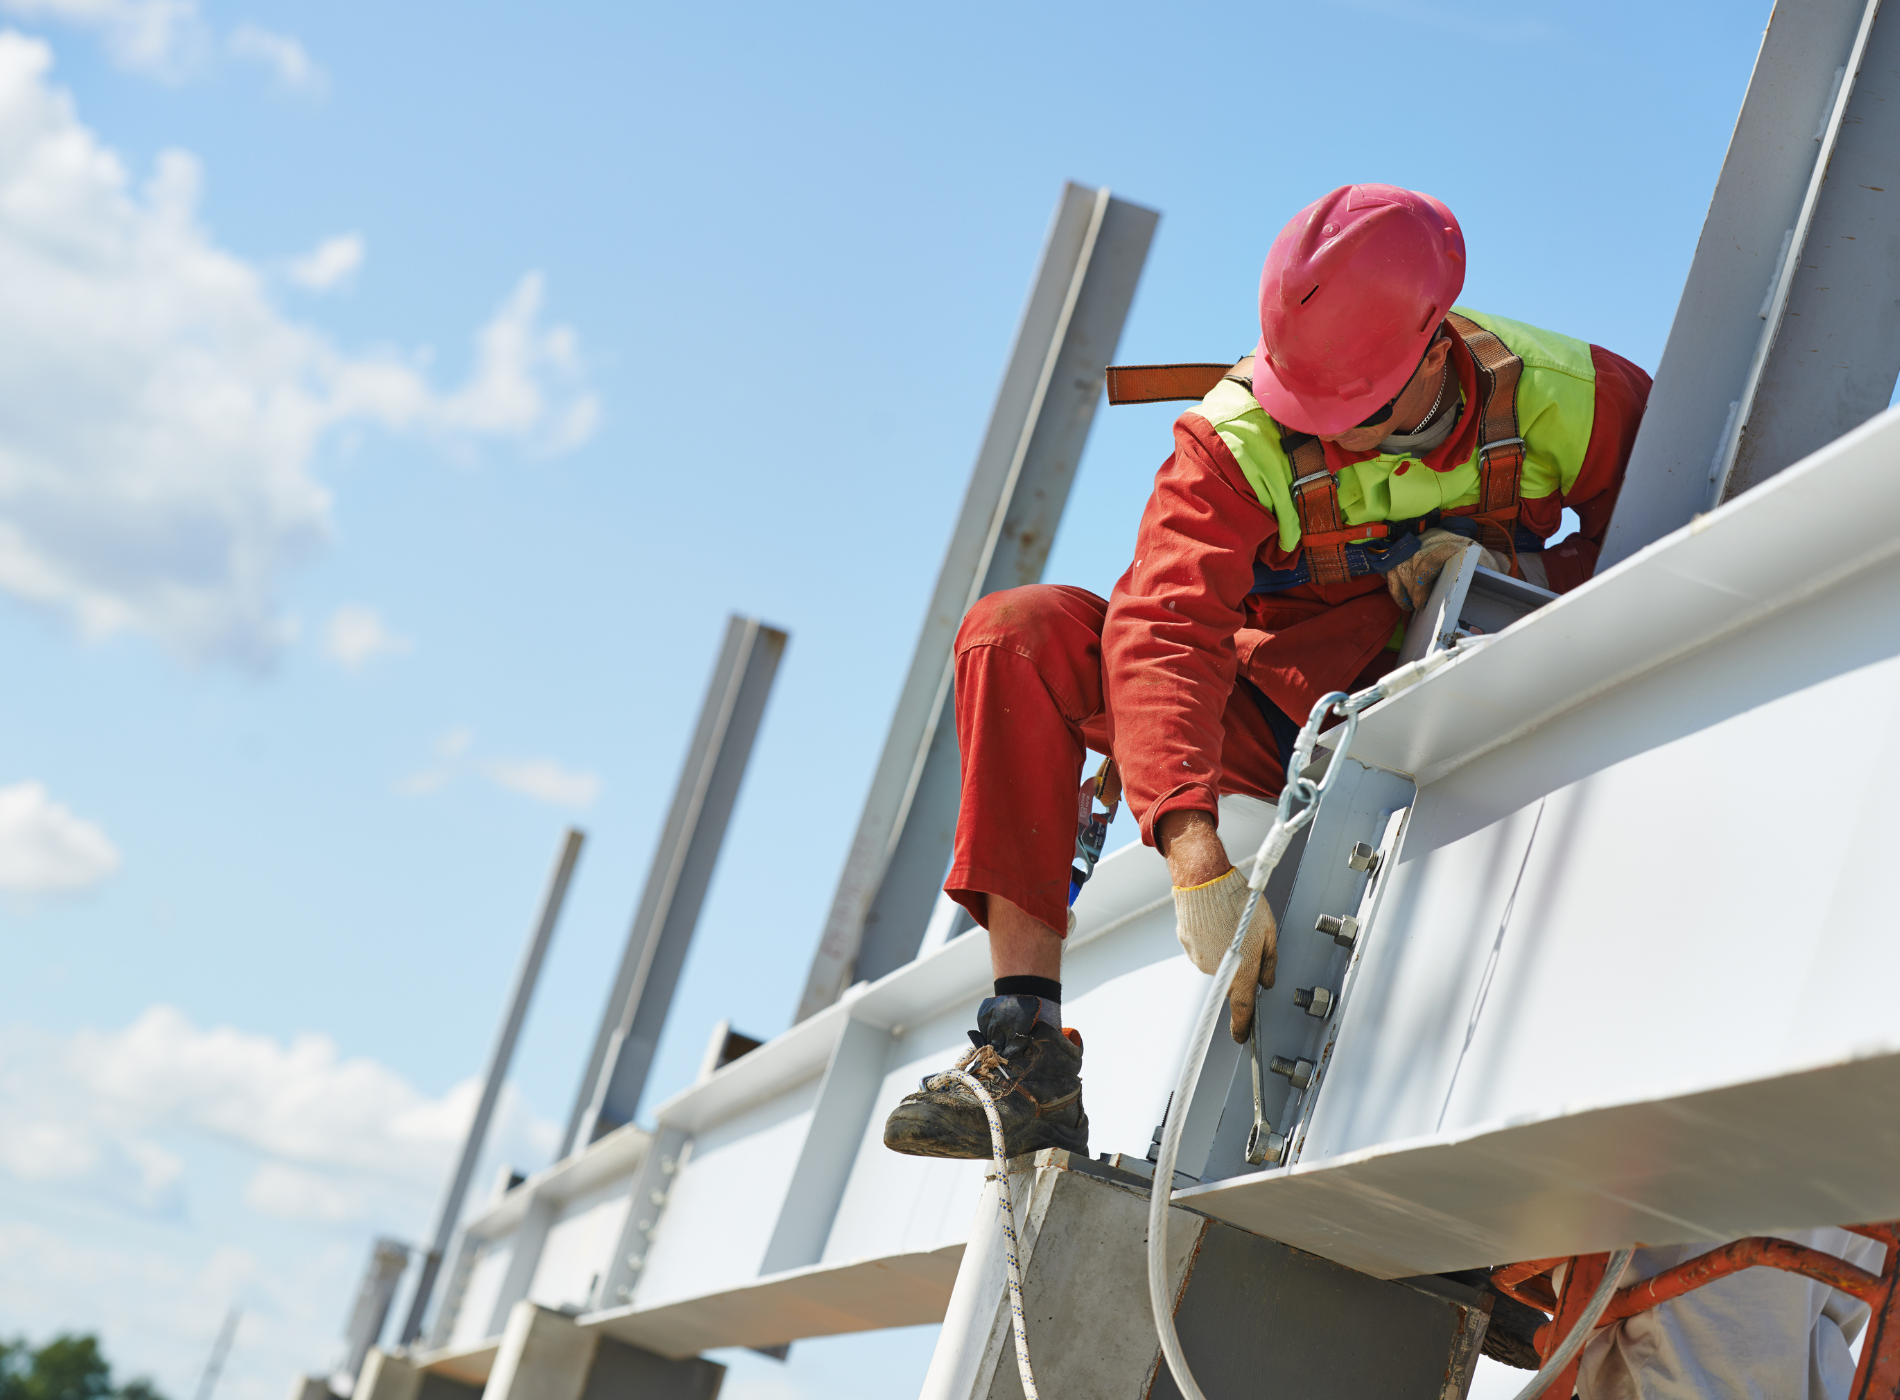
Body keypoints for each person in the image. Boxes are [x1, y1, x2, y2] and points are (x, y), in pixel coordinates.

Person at [880, 183, 1650, 1162]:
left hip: (1429, 730)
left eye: (1352, 409)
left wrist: (1506, 570)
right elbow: (1165, 625)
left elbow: (1675, 534)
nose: (1328, 430)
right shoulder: (1235, 436)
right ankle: (1026, 1043)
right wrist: (1194, 857)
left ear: (1430, 346)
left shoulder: (1565, 397)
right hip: (1246, 718)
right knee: (1017, 634)